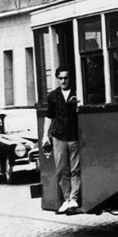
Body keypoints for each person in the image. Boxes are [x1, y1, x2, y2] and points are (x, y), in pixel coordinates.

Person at [43, 66, 81, 215]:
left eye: (66, 78)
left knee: (75, 169)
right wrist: (45, 135)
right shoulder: (53, 95)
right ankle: (66, 199)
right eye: (61, 78)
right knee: (61, 169)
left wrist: (78, 102)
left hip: (74, 135)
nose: (64, 81)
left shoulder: (77, 93)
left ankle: (74, 198)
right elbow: (49, 116)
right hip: (59, 136)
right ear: (57, 79)